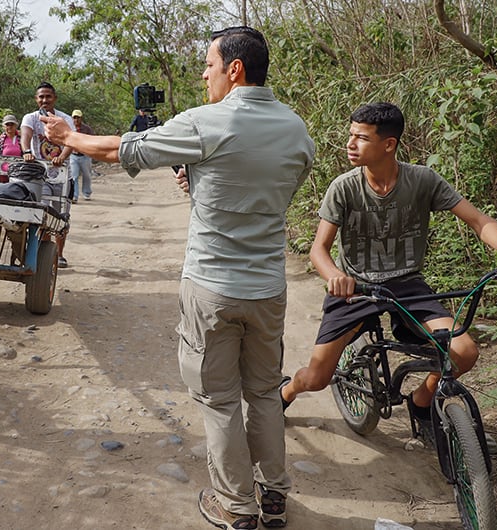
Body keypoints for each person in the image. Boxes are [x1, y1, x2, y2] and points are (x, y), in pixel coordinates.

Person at [43, 26, 315, 529]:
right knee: (261, 392)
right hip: (268, 289)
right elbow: (270, 195)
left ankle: (236, 506)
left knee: (218, 398)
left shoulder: (209, 121)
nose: (204, 74)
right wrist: (204, 181)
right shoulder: (297, 129)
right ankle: (274, 495)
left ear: (235, 69)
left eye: (209, 65)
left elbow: (119, 150)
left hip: (212, 285)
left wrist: (68, 136)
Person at [279, 101, 497, 440]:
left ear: (389, 145)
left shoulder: (422, 181)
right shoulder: (344, 187)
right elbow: (319, 250)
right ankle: (284, 392)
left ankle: (420, 401)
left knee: (464, 351)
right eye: (350, 135)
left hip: (408, 286)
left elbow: (480, 221)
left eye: (361, 137)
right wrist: (336, 278)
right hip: (355, 290)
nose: (350, 144)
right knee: (316, 378)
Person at [20, 81, 74, 268]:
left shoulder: (64, 118)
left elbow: (71, 142)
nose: (45, 100)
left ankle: (59, 255)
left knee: (61, 216)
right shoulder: (31, 118)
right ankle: (44, 253)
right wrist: (27, 151)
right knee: (40, 214)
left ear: (55, 98)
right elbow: (25, 135)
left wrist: (62, 156)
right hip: (40, 175)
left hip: (62, 175)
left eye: (48, 96)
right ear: (36, 99)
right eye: (41, 97)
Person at [69, 109, 95, 202]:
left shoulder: (87, 129)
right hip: (73, 156)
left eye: (78, 118)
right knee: (74, 176)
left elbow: (92, 140)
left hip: (85, 155)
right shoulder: (70, 128)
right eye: (74, 118)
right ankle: (74, 196)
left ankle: (87, 193)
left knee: (87, 175)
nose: (76, 120)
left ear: (81, 118)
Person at [0, 114, 21, 182]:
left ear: (16, 125)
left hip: (19, 172)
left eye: (12, 124)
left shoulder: (21, 139)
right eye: (7, 124)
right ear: (3, 126)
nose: (9, 127)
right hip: (3, 173)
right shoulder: (0, 141)